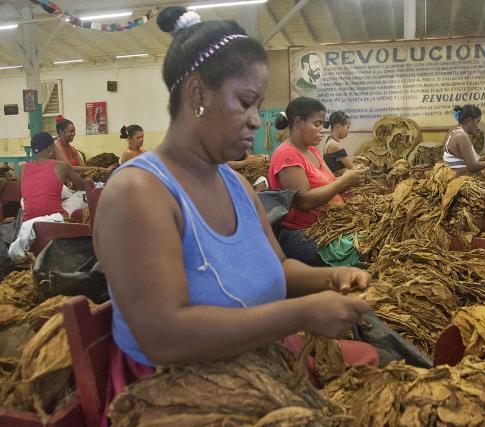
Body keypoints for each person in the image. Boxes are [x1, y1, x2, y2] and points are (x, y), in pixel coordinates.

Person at [94, 6, 375, 379]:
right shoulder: (137, 193)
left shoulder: (234, 184)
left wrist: (332, 277)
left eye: (258, 106)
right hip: (180, 392)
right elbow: (162, 337)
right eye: (245, 102)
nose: (257, 120)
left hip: (254, 362)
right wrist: (302, 313)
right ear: (197, 93)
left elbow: (278, 269)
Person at [268, 97, 368, 266]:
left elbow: (330, 183)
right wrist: (344, 181)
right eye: (317, 124)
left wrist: (351, 181)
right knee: (365, 250)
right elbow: (304, 201)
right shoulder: (287, 155)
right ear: (298, 123)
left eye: (323, 124)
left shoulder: (312, 151)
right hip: (303, 235)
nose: (322, 130)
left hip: (330, 226)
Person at [20, 132, 85, 221]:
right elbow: (83, 186)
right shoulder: (61, 166)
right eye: (54, 146)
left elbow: (22, 193)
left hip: (29, 218)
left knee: (25, 200)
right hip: (57, 217)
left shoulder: (23, 168)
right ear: (49, 148)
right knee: (84, 195)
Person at [442, 104, 485, 175]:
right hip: (456, 179)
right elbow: (473, 166)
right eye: (477, 121)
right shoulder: (462, 136)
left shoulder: (456, 131)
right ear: (469, 120)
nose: (477, 126)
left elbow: (471, 159)